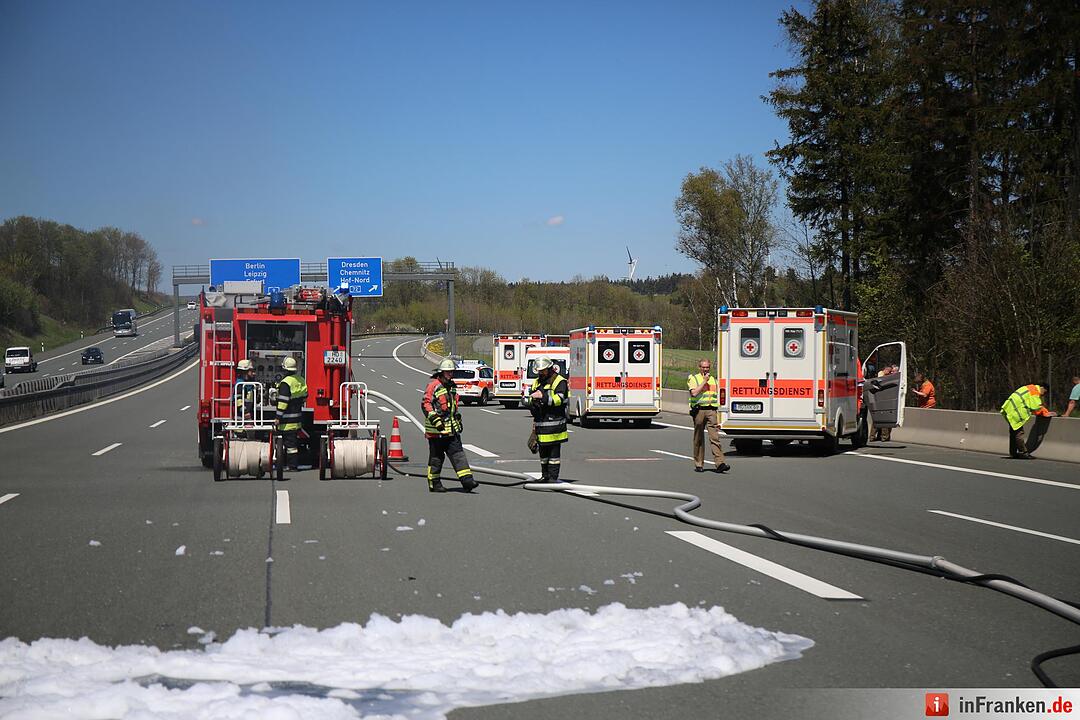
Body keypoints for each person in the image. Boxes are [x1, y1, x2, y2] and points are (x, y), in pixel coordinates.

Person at [421, 358, 478, 493]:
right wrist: (436, 420)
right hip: (437, 432)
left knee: (458, 454)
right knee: (437, 458)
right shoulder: (434, 386)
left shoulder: (452, 387)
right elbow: (426, 404)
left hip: (451, 430)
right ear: (441, 372)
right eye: (448, 372)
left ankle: (467, 481)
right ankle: (434, 483)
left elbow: (452, 407)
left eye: (452, 372)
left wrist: (457, 419)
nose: (450, 374)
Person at [528, 356, 569, 483]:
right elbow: (531, 397)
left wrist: (543, 397)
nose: (541, 373)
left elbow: (560, 399)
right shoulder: (537, 382)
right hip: (541, 424)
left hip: (555, 425)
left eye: (543, 370)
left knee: (554, 456)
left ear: (550, 368)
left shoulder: (559, 381)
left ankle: (553, 478)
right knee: (543, 455)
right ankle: (545, 476)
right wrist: (530, 401)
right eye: (539, 371)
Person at [687, 359, 729, 473]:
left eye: (707, 367)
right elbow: (694, 393)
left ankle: (720, 463)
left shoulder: (714, 380)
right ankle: (699, 463)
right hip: (699, 410)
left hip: (711, 410)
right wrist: (704, 381)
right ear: (699, 367)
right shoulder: (694, 378)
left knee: (715, 438)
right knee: (698, 438)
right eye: (703, 367)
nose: (705, 369)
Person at [1000, 384, 1055, 458]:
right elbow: (1036, 407)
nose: (1043, 395)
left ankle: (1013, 453)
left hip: (1010, 408)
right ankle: (1023, 453)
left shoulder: (1030, 388)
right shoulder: (1035, 391)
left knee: (1013, 432)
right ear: (1043, 388)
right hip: (1015, 411)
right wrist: (1046, 413)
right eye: (1045, 393)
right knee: (1019, 433)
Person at [275, 356, 308, 471]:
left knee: (289, 445)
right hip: (297, 418)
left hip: (287, 420)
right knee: (292, 444)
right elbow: (305, 397)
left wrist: (278, 417)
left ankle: (292, 466)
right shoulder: (301, 380)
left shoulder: (285, 383)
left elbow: (283, 402)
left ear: (284, 369)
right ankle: (292, 464)